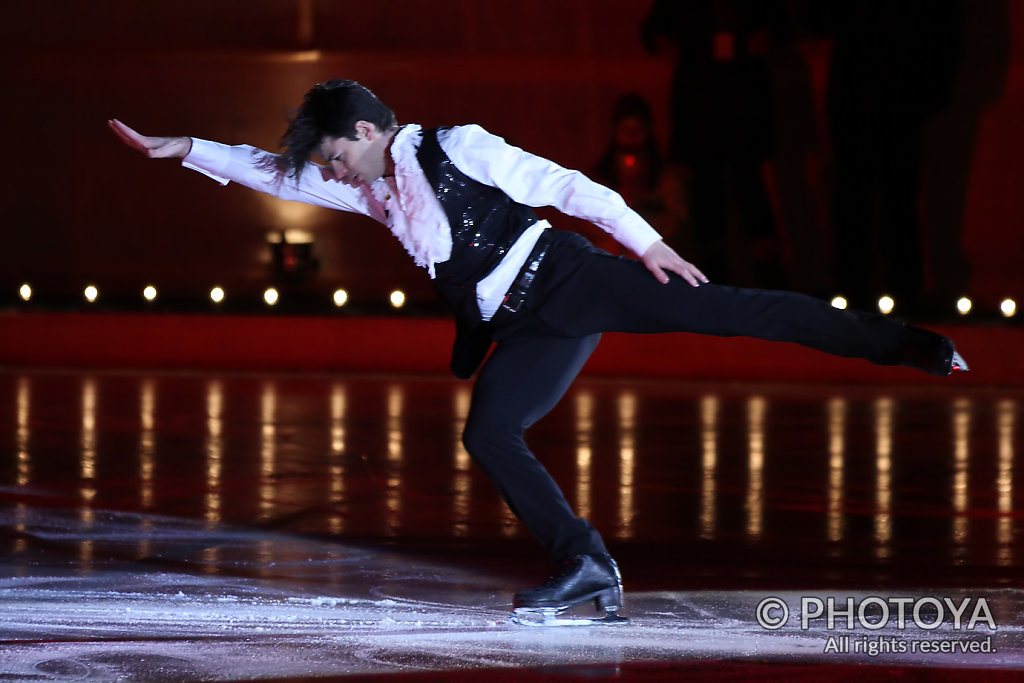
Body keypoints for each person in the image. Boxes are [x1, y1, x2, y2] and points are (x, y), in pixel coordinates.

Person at [108, 79, 967, 625]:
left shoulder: (455, 147)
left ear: (369, 130)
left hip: (569, 280)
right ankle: (587, 566)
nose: (330, 174)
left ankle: (908, 344)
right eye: (328, 165)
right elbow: (277, 172)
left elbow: (566, 186)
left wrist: (646, 246)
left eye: (337, 156)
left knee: (732, 312)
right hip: (524, 327)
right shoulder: (373, 191)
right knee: (490, 433)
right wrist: (183, 148)